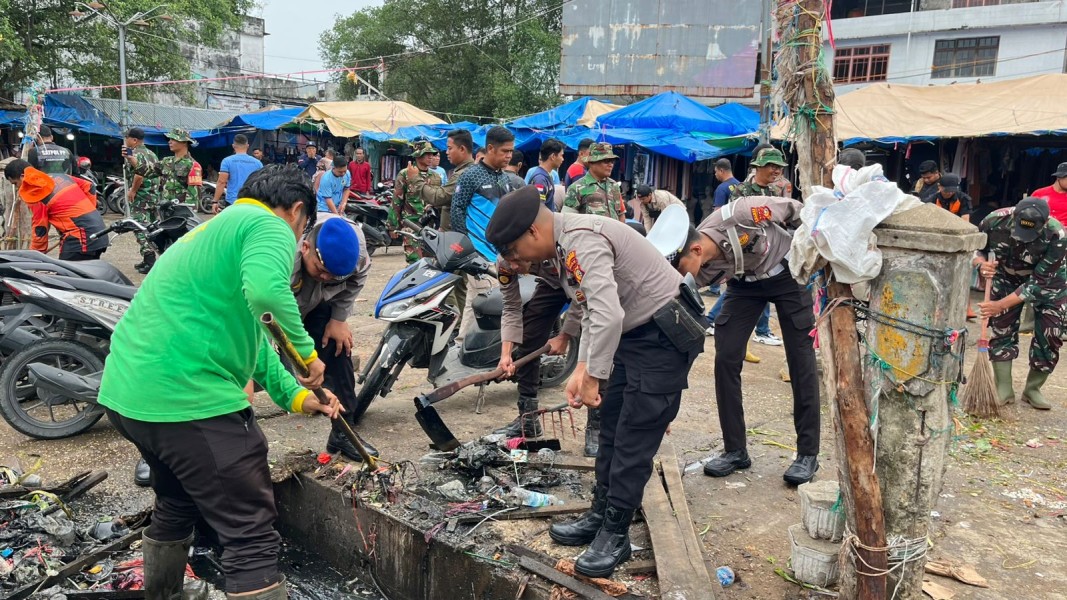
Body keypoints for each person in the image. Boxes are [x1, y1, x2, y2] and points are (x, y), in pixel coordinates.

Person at [97, 165, 342, 599]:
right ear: (298, 211)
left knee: (177, 500)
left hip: (128, 397)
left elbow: (259, 338)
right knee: (249, 532)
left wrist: (303, 397)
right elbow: (269, 296)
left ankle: (163, 594)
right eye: (303, 228)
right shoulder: (269, 225)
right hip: (187, 398)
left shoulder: (216, 232)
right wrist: (307, 354)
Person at [487, 187, 703, 579]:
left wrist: (593, 377)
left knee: (634, 436)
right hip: (633, 334)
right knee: (611, 431)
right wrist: (582, 368)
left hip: (663, 338)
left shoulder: (581, 240)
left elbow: (607, 312)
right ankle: (601, 514)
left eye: (516, 250)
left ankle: (616, 534)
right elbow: (588, 309)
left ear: (534, 232)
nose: (516, 261)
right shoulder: (561, 248)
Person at [653, 200, 820, 485]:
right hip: (745, 286)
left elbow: (799, 211)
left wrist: (810, 249)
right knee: (726, 358)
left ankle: (807, 454)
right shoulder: (698, 267)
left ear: (695, 250)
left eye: (682, 270)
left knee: (800, 359)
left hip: (788, 277)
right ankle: (735, 450)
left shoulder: (742, 215)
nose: (683, 277)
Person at [293, 214, 379, 459]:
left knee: (338, 346)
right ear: (306, 248)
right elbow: (266, 305)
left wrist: (338, 319)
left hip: (320, 301)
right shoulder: (285, 250)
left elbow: (358, 277)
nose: (327, 277)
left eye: (334, 276)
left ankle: (344, 431)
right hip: (281, 300)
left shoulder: (357, 253)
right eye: (322, 271)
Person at [494, 227, 585, 450]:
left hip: (583, 283)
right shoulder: (506, 263)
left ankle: (596, 426)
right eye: (509, 262)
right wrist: (506, 354)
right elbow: (512, 307)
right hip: (553, 282)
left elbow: (583, 298)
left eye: (517, 260)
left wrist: (565, 336)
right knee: (529, 337)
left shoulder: (560, 249)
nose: (514, 267)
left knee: (598, 344)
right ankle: (529, 418)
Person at [976, 197, 1067, 411]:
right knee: (1002, 328)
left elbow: (1038, 283)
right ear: (1014, 217)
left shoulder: (1058, 235)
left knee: (1051, 333)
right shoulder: (993, 221)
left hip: (1049, 283)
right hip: (1006, 276)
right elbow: (976, 248)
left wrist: (1000, 305)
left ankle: (1033, 389)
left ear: (1044, 224)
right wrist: (981, 265)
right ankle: (1004, 389)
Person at [451, 126, 515, 339]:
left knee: (480, 303)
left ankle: (466, 346)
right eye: (505, 151)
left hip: (500, 255)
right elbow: (456, 211)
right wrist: (467, 249)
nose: (509, 156)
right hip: (479, 255)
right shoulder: (471, 176)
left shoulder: (505, 178)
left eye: (511, 152)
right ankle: (467, 349)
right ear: (490, 148)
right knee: (484, 303)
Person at [126, 128, 202, 273]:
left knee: (183, 244)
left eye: (173, 139)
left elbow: (194, 194)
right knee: (166, 242)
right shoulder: (166, 162)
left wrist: (188, 213)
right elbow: (146, 171)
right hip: (164, 211)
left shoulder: (192, 165)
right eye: (170, 139)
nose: (170, 142)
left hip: (181, 213)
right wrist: (131, 159)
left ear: (184, 142)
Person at [4, 160, 109, 260]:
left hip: (81, 239)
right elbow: (89, 186)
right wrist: (89, 211)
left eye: (15, 183)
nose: (17, 188)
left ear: (23, 177)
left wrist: (35, 256)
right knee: (85, 275)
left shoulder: (35, 193)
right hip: (100, 232)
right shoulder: (60, 176)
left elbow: (40, 229)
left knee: (65, 277)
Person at [409, 129, 475, 232]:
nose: (447, 152)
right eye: (426, 154)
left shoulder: (463, 174)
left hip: (455, 236)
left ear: (462, 149)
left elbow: (439, 197)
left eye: (449, 148)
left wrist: (415, 179)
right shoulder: (405, 173)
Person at [394, 141, 442, 260]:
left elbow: (439, 200)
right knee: (415, 262)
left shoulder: (436, 177)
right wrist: (393, 226)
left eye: (432, 154)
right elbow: (397, 201)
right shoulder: (405, 174)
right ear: (417, 156)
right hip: (412, 224)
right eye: (427, 154)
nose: (431, 157)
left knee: (431, 263)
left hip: (430, 227)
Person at [121, 127, 159, 262]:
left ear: (134, 140)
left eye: (127, 138)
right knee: (153, 227)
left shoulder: (135, 154)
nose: (126, 141)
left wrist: (133, 190)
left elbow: (139, 174)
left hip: (142, 197)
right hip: (154, 197)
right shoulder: (151, 153)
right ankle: (153, 256)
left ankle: (148, 258)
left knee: (139, 226)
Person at [562, 143, 626, 221]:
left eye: (612, 161)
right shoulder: (576, 188)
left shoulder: (614, 186)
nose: (610, 165)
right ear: (592, 163)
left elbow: (621, 215)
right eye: (606, 161)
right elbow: (567, 221)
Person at [214, 133, 262, 213]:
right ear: (247, 146)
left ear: (233, 146)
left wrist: (215, 201)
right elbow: (261, 184)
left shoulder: (227, 161)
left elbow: (222, 182)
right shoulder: (258, 163)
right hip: (252, 202)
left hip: (233, 202)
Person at [525, 138, 565, 211]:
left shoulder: (546, 175)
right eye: (561, 155)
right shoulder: (540, 179)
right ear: (553, 156)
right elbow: (539, 208)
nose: (563, 159)